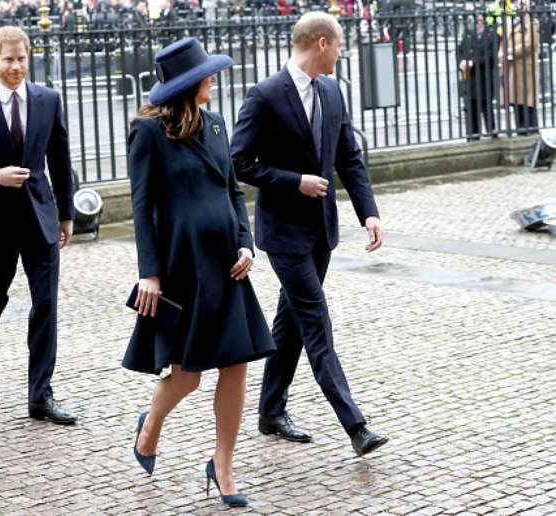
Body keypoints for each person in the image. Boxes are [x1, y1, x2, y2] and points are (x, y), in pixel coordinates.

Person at [124, 38, 275, 508]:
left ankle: (223, 465)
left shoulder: (215, 125)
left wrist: (246, 243)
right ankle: (150, 426)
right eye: (207, 74)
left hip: (227, 266)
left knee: (237, 363)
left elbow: (233, 192)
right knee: (187, 375)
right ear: (189, 84)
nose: (214, 79)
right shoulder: (149, 133)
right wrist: (150, 274)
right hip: (181, 267)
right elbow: (141, 205)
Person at [230, 12, 389, 457]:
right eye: (340, 44)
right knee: (316, 321)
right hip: (283, 235)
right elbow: (239, 162)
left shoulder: (333, 90)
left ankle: (270, 410)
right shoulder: (264, 95)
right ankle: (356, 425)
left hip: (322, 232)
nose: (343, 52)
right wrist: (292, 180)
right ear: (320, 43)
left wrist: (368, 213)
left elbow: (349, 159)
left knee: (293, 322)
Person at [0, 26, 77, 425]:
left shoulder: (48, 99)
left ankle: (40, 395)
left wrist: (67, 214)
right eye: (8, 59)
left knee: (46, 306)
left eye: (21, 59)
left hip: (40, 218)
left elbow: (60, 159)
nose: (16, 67)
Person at [500, 0, 540, 135]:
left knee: (528, 105)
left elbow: (529, 44)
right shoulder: (514, 24)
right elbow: (505, 41)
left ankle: (532, 136)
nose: (520, 6)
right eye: (518, 4)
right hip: (513, 71)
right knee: (517, 104)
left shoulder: (533, 24)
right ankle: (521, 133)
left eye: (523, 4)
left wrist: (509, 51)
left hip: (526, 71)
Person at [458, 15, 499, 140]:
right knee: (471, 107)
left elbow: (491, 56)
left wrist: (474, 62)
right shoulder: (468, 34)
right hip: (470, 78)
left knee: (486, 106)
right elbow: (459, 50)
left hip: (484, 78)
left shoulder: (492, 35)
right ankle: (473, 134)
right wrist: (461, 61)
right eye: (476, 21)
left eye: (481, 20)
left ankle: (491, 131)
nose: (478, 23)